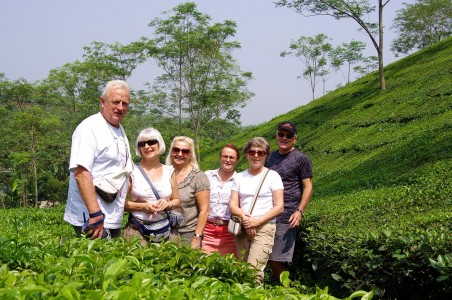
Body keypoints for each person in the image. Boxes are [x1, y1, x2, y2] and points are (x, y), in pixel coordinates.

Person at [64, 80, 132, 239]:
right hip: (93, 217)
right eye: (115, 102)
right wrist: (95, 214)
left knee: (113, 262)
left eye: (125, 103)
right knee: (99, 262)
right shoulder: (89, 128)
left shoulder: (119, 129)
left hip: (111, 215)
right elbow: (81, 173)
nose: (120, 107)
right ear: (102, 102)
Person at [230, 137, 284, 285]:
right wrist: (246, 219)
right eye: (252, 152)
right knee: (241, 269)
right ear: (247, 154)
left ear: (266, 155)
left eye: (260, 153)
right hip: (243, 227)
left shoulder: (273, 176)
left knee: (254, 272)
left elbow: (279, 206)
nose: (256, 156)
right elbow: (233, 204)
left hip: (264, 227)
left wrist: (256, 222)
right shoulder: (239, 177)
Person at [266, 121, 313, 283]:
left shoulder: (301, 159)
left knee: (276, 258)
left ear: (295, 139)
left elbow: (308, 187)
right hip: (267, 214)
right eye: (281, 134)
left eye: (289, 135)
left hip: (287, 215)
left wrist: (299, 211)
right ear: (276, 136)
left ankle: (287, 290)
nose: (284, 138)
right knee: (265, 255)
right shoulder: (270, 157)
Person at [123, 128, 181, 245]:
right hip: (138, 230)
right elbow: (121, 203)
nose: (147, 147)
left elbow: (177, 200)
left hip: (166, 230)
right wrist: (143, 207)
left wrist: (168, 204)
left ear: (159, 144)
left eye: (151, 142)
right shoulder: (132, 171)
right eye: (142, 144)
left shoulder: (169, 171)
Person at [166, 136, 210, 249]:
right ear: (171, 152)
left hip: (188, 233)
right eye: (176, 150)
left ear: (190, 155)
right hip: (164, 230)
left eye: (185, 151)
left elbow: (204, 210)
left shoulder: (198, 177)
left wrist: (197, 236)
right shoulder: (164, 173)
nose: (180, 154)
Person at [203, 144, 240, 256]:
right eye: (225, 156)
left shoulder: (240, 179)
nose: (228, 160)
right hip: (207, 229)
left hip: (229, 231)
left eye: (232, 157)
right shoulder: (208, 175)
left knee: (228, 267)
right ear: (220, 157)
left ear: (237, 160)